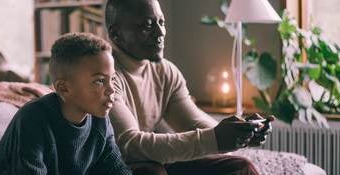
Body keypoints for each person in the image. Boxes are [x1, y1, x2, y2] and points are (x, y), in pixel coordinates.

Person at [104, 0, 275, 174]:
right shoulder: (105, 76)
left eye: (161, 22)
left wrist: (240, 133)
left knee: (240, 167)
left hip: (152, 160)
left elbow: (194, 123)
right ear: (116, 34)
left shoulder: (166, 71)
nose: (160, 32)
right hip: (117, 164)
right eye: (147, 26)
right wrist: (215, 139)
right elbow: (130, 146)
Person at [0, 33, 132, 175]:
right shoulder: (32, 119)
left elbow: (118, 170)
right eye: (99, 81)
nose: (111, 89)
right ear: (63, 88)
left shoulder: (100, 120)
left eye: (112, 79)